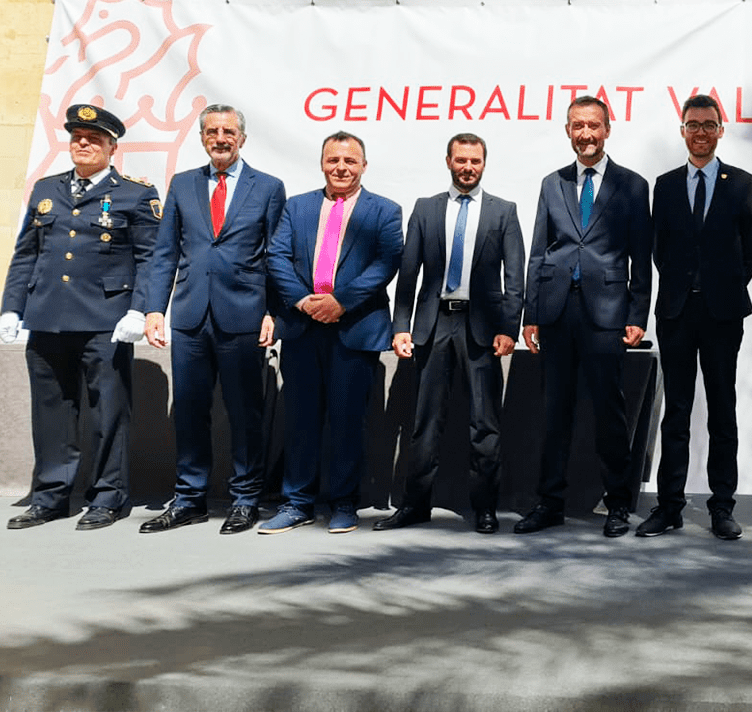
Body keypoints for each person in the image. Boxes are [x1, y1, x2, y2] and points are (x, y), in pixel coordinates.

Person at [0, 103, 161, 531]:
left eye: (93, 139)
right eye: (77, 138)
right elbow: (26, 254)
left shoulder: (135, 194)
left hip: (105, 320)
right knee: (51, 411)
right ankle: (50, 496)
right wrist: (12, 307)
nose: (83, 144)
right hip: (48, 316)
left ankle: (108, 496)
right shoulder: (46, 188)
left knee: (109, 412)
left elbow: (150, 259)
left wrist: (139, 310)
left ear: (112, 147)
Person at [138, 104, 287, 535]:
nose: (220, 139)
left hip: (243, 316)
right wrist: (154, 308)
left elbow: (277, 255)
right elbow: (165, 252)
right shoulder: (183, 184)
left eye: (228, 132)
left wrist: (273, 312)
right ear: (202, 137)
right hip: (190, 317)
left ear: (242, 138)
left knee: (245, 413)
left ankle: (245, 500)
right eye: (212, 132)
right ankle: (189, 499)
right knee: (189, 412)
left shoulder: (268, 187)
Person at [516, 95, 653, 538]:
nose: (586, 134)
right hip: (557, 311)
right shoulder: (551, 183)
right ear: (568, 131)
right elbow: (539, 252)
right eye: (578, 126)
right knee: (554, 412)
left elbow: (642, 257)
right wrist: (531, 313)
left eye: (593, 125)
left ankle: (617, 504)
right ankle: (549, 502)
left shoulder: (632, 185)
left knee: (608, 412)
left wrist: (637, 314)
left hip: (607, 313)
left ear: (607, 129)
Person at [380, 133, 524, 535]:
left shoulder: (504, 211)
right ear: (448, 161)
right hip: (434, 323)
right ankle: (414, 505)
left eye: (475, 161)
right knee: (424, 423)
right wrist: (401, 326)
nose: (468, 168)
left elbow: (515, 277)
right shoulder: (425, 208)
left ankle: (485, 508)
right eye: (461, 160)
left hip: (482, 327)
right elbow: (408, 274)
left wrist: (509, 328)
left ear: (484, 164)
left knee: (484, 425)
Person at [261, 132, 403, 534]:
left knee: (347, 421)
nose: (341, 167)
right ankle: (297, 502)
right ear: (322, 163)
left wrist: (341, 301)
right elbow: (277, 257)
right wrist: (303, 301)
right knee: (300, 421)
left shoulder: (385, 210)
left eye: (350, 161)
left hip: (354, 329)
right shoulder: (297, 206)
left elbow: (386, 262)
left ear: (364, 166)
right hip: (303, 327)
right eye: (333, 160)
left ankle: (344, 503)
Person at [636, 94, 752, 541]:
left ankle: (722, 507)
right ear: (683, 131)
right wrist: (683, 286)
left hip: (723, 314)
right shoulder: (666, 185)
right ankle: (669, 506)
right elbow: (659, 248)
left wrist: (720, 287)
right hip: (676, 313)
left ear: (721, 130)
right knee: (676, 412)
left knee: (722, 411)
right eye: (693, 125)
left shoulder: (741, 183)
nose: (701, 132)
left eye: (709, 125)